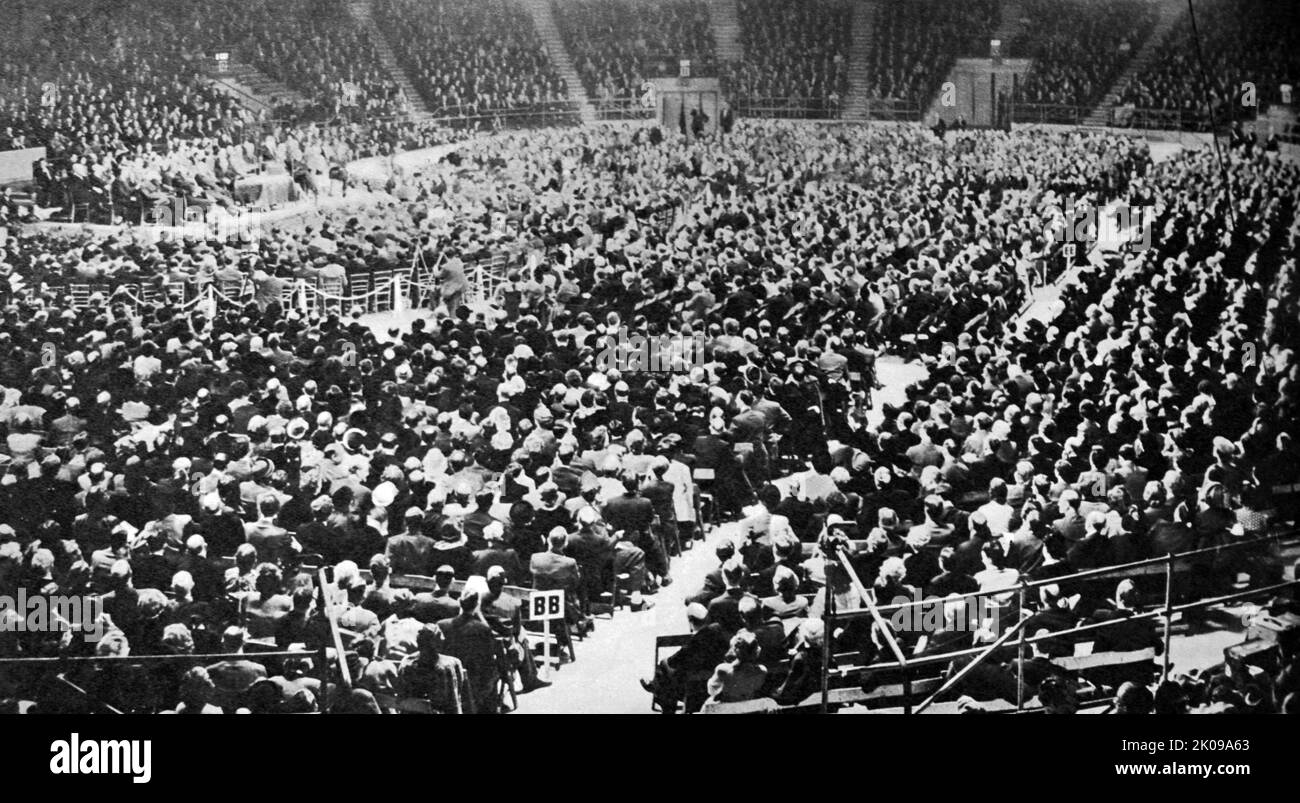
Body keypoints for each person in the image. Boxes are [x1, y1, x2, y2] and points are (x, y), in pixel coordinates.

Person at [641, 603, 729, 714]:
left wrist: (664, 662)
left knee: (664, 670)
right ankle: (657, 687)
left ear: (691, 621)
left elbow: (673, 662)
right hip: (715, 678)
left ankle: (661, 696)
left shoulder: (694, 642)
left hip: (695, 686)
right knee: (667, 676)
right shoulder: (717, 630)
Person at [437, 592, 500, 714]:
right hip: (473, 682)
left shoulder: (442, 625)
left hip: (447, 678)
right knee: (494, 672)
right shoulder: (483, 629)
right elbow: (488, 661)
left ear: (459, 602)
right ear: (477, 604)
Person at [397, 625, 472, 714]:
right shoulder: (446, 666)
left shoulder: (406, 662)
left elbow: (402, 694)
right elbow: (453, 700)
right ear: (437, 642)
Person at [705, 631, 767, 705]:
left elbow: (711, 691)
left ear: (734, 649)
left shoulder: (723, 669)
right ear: (756, 651)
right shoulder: (762, 670)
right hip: (747, 707)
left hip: (727, 709)